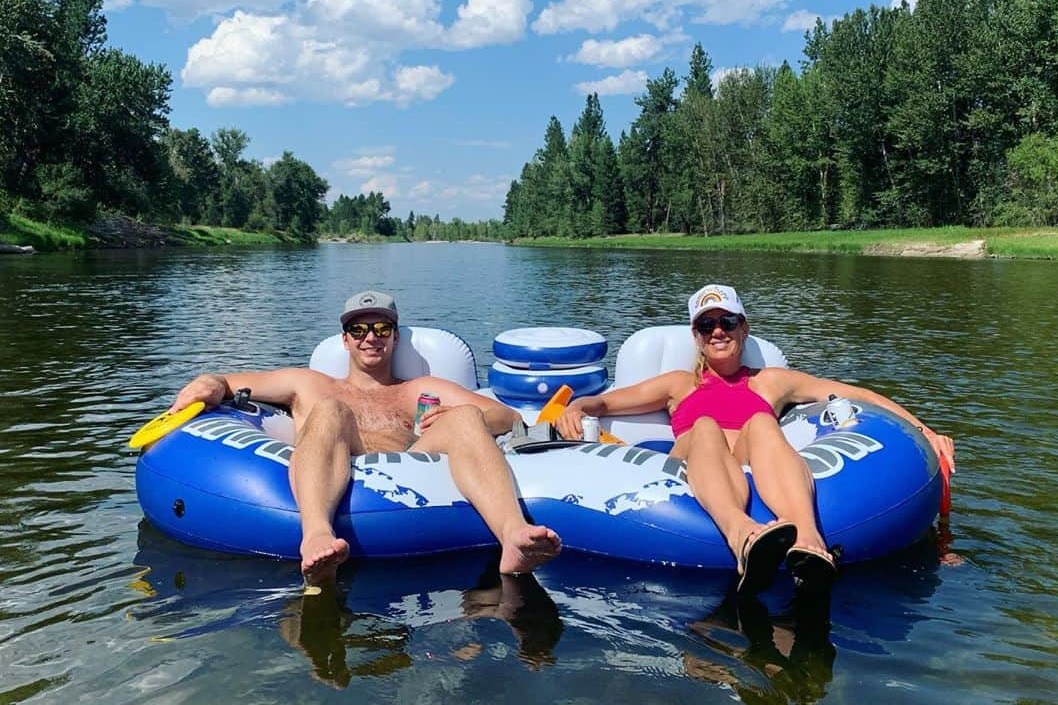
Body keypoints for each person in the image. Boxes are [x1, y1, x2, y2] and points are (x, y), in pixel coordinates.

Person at [556, 284, 955, 597]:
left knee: (763, 423)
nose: (717, 332)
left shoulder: (770, 381)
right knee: (707, 426)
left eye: (727, 322)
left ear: (744, 328)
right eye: (706, 326)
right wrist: (577, 407)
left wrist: (924, 431)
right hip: (691, 460)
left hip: (751, 459)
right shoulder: (680, 384)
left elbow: (854, 395)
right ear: (695, 337)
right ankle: (740, 533)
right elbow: (607, 400)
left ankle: (809, 539)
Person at [169, 290, 562, 585]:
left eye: (381, 328)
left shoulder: (419, 388)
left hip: (411, 462)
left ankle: (512, 535)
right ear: (344, 339)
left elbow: (505, 415)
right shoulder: (309, 384)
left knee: (465, 416)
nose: (369, 338)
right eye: (358, 329)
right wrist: (207, 384)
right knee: (330, 410)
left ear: (393, 337)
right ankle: (317, 535)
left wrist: (450, 413)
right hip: (332, 463)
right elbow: (227, 381)